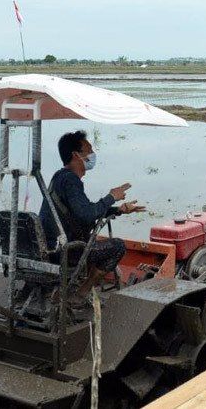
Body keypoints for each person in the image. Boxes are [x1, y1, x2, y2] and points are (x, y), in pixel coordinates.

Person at [39, 130, 146, 305]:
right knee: (117, 246)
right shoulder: (71, 181)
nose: (92, 154)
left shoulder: (60, 177)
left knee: (91, 240)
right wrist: (111, 196)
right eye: (89, 150)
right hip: (65, 251)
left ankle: (66, 288)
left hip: (51, 246)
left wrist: (119, 209)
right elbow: (87, 214)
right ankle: (81, 293)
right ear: (76, 155)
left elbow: (85, 211)